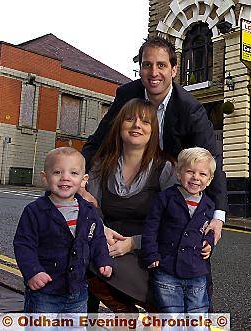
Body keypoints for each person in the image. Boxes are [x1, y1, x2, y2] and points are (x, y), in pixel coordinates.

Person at [82, 36, 227, 244]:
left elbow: (211, 159)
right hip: (127, 182)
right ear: (140, 68)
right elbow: (97, 142)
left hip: (171, 184)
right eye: (147, 65)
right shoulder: (127, 94)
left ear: (174, 70)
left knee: (187, 250)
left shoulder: (190, 109)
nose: (154, 73)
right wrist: (77, 180)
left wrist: (218, 216)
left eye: (161, 65)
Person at [84, 98, 208, 313]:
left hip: (148, 248)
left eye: (145, 122)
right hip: (108, 243)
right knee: (79, 253)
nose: (136, 125)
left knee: (164, 296)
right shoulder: (101, 164)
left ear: (154, 130)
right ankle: (125, 312)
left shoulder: (166, 168)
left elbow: (176, 224)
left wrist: (133, 243)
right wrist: (101, 231)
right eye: (130, 119)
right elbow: (91, 209)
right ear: (119, 125)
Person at [13, 147, 112, 313]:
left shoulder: (88, 211)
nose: (65, 177)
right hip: (45, 293)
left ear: (83, 180)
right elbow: (24, 245)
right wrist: (32, 272)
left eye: (73, 173)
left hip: (78, 292)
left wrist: (103, 260)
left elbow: (98, 239)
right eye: (57, 172)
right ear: (45, 177)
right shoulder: (34, 211)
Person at [142, 147, 216, 313]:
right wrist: (151, 253)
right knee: (171, 316)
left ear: (209, 180)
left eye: (202, 174)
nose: (196, 177)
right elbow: (151, 227)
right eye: (190, 171)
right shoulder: (166, 198)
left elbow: (209, 230)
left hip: (196, 271)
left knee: (198, 315)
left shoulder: (209, 205)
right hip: (166, 270)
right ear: (178, 173)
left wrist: (210, 243)